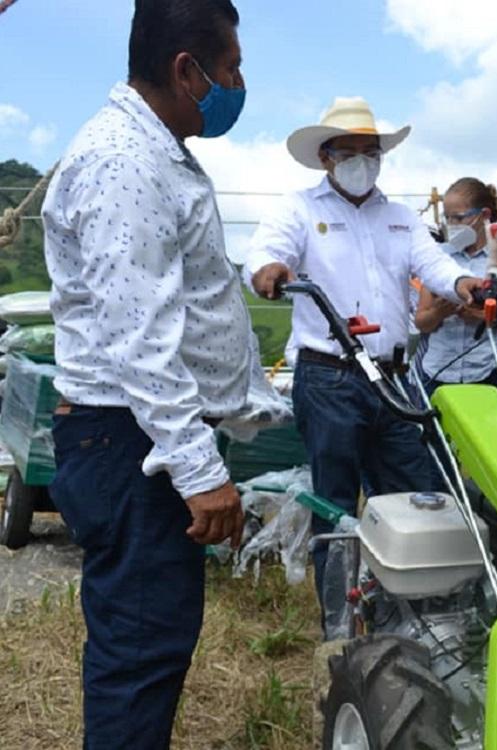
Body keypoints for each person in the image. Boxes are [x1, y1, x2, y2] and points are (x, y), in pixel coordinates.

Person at [41, 2, 251, 746]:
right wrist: (198, 469)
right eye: (231, 69)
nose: (238, 83)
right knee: (139, 653)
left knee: (152, 645)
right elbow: (139, 337)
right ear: (186, 71)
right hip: (129, 445)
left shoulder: (153, 151)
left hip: (135, 440)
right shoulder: (123, 162)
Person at [246, 98, 483, 596]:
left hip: (393, 380)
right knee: (334, 500)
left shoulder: (399, 217)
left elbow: (433, 264)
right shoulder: (299, 210)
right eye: (348, 152)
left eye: (370, 152)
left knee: (417, 495)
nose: (361, 162)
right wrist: (269, 271)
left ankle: (411, 605)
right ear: (326, 157)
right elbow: (267, 253)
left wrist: (462, 282)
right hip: (329, 376)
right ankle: (338, 618)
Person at [415, 178, 497, 404]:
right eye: (448, 217)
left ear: (484, 215)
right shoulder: (439, 258)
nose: (451, 224)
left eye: (459, 218)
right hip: (438, 372)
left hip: (493, 370)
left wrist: (488, 316)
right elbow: (421, 320)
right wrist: (439, 312)